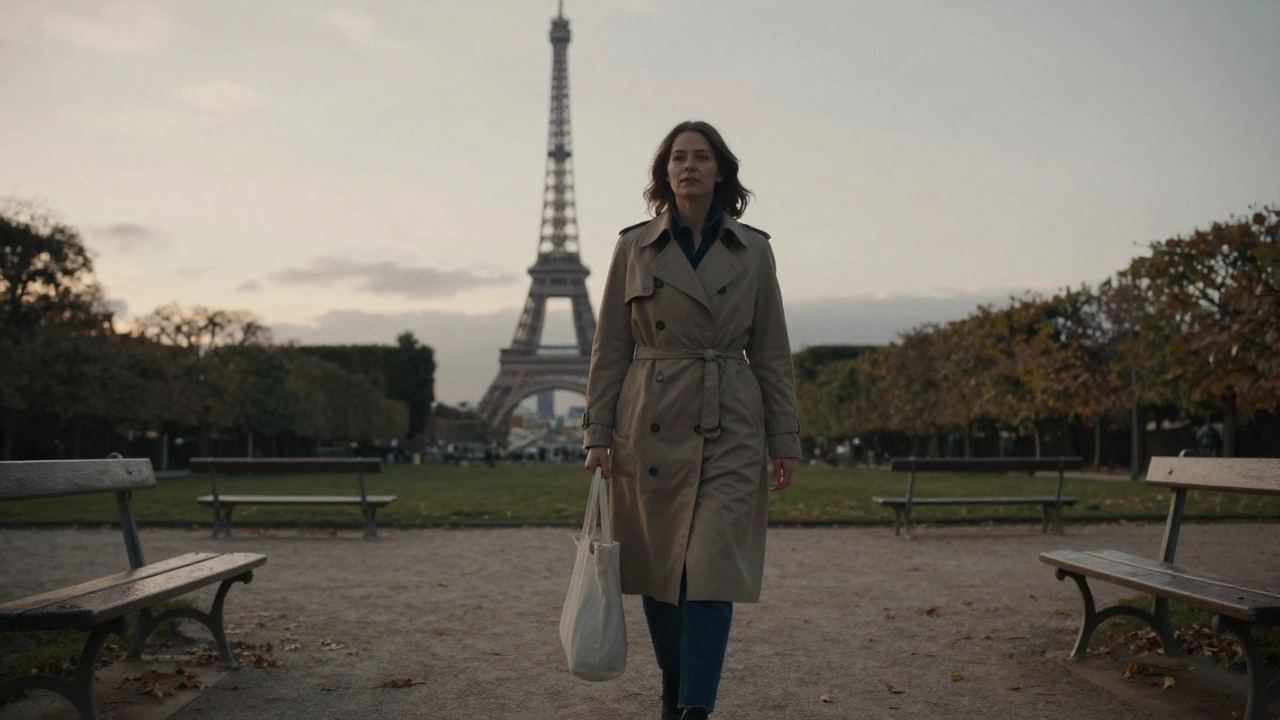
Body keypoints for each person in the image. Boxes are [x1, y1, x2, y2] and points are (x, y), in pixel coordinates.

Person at [581, 120, 801, 720]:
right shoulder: (632, 247)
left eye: (701, 157)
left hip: (729, 420)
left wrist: (784, 439)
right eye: (678, 157)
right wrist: (597, 432)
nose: (689, 166)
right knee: (660, 573)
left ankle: (694, 710)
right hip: (650, 417)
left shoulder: (755, 250)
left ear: (722, 171)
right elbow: (610, 347)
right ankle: (675, 683)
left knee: (709, 572)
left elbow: (773, 351)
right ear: (665, 172)